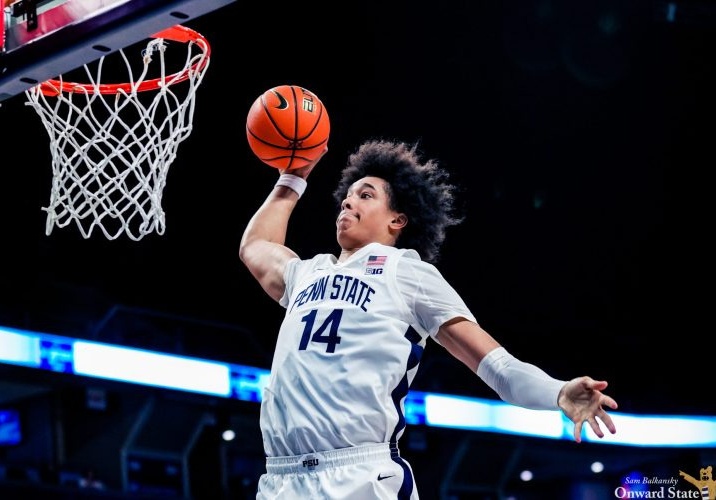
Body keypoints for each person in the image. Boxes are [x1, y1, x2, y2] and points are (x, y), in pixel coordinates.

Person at [239, 139, 617, 499]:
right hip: (280, 479)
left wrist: (557, 392)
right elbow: (254, 246)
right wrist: (293, 178)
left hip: (360, 476)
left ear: (397, 220)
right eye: (348, 195)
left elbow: (498, 367)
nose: (349, 201)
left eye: (366, 195)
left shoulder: (407, 272)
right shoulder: (306, 273)